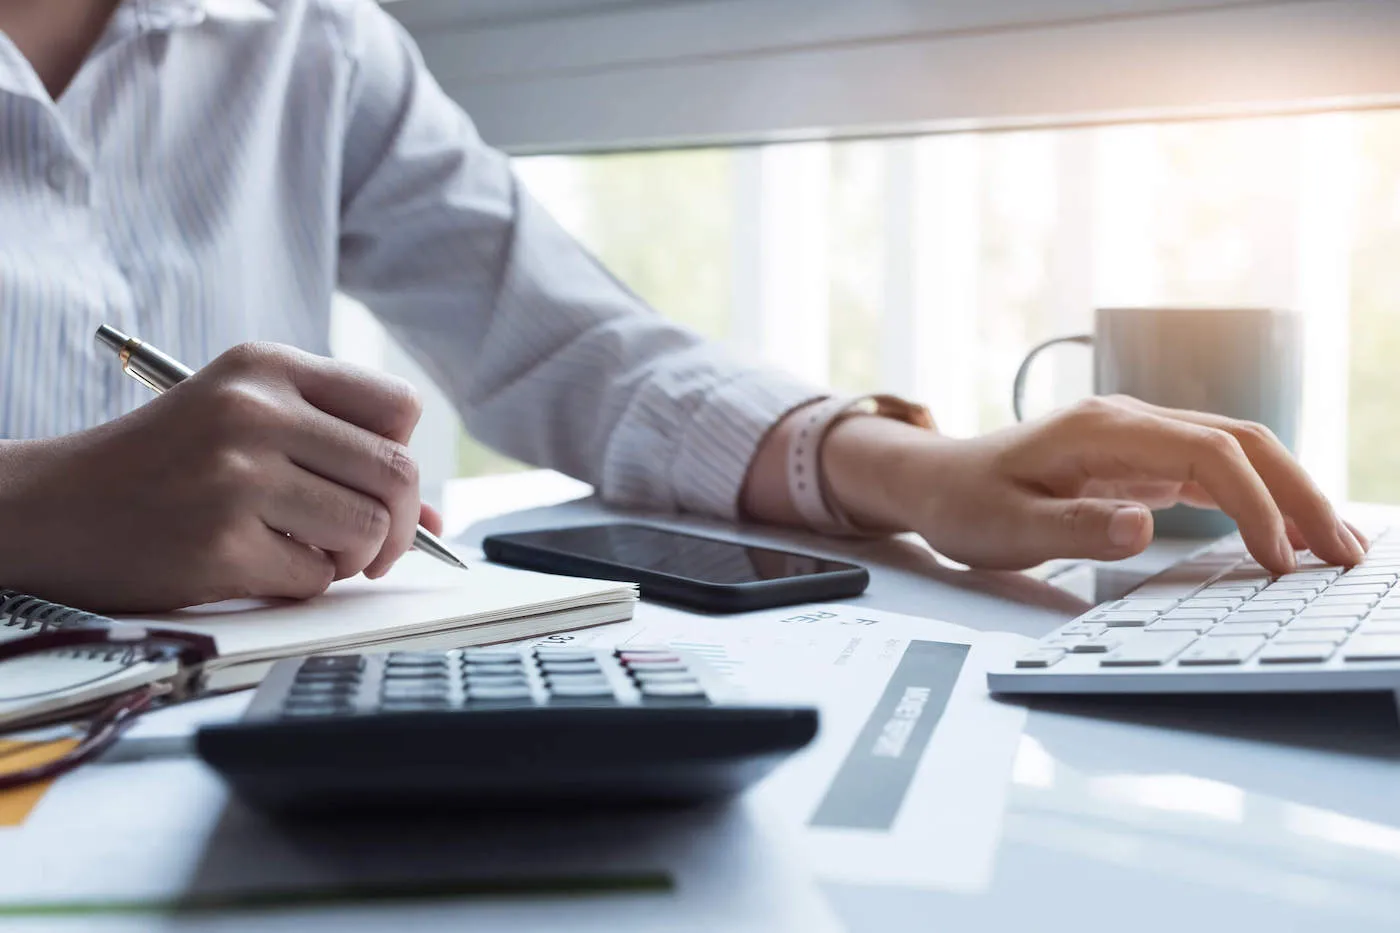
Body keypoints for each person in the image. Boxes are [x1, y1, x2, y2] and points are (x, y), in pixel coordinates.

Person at [0, 0, 1366, 612]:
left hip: (230, 728)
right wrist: (32, 510)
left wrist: (918, 469)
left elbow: (581, 349)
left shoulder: (312, 38)